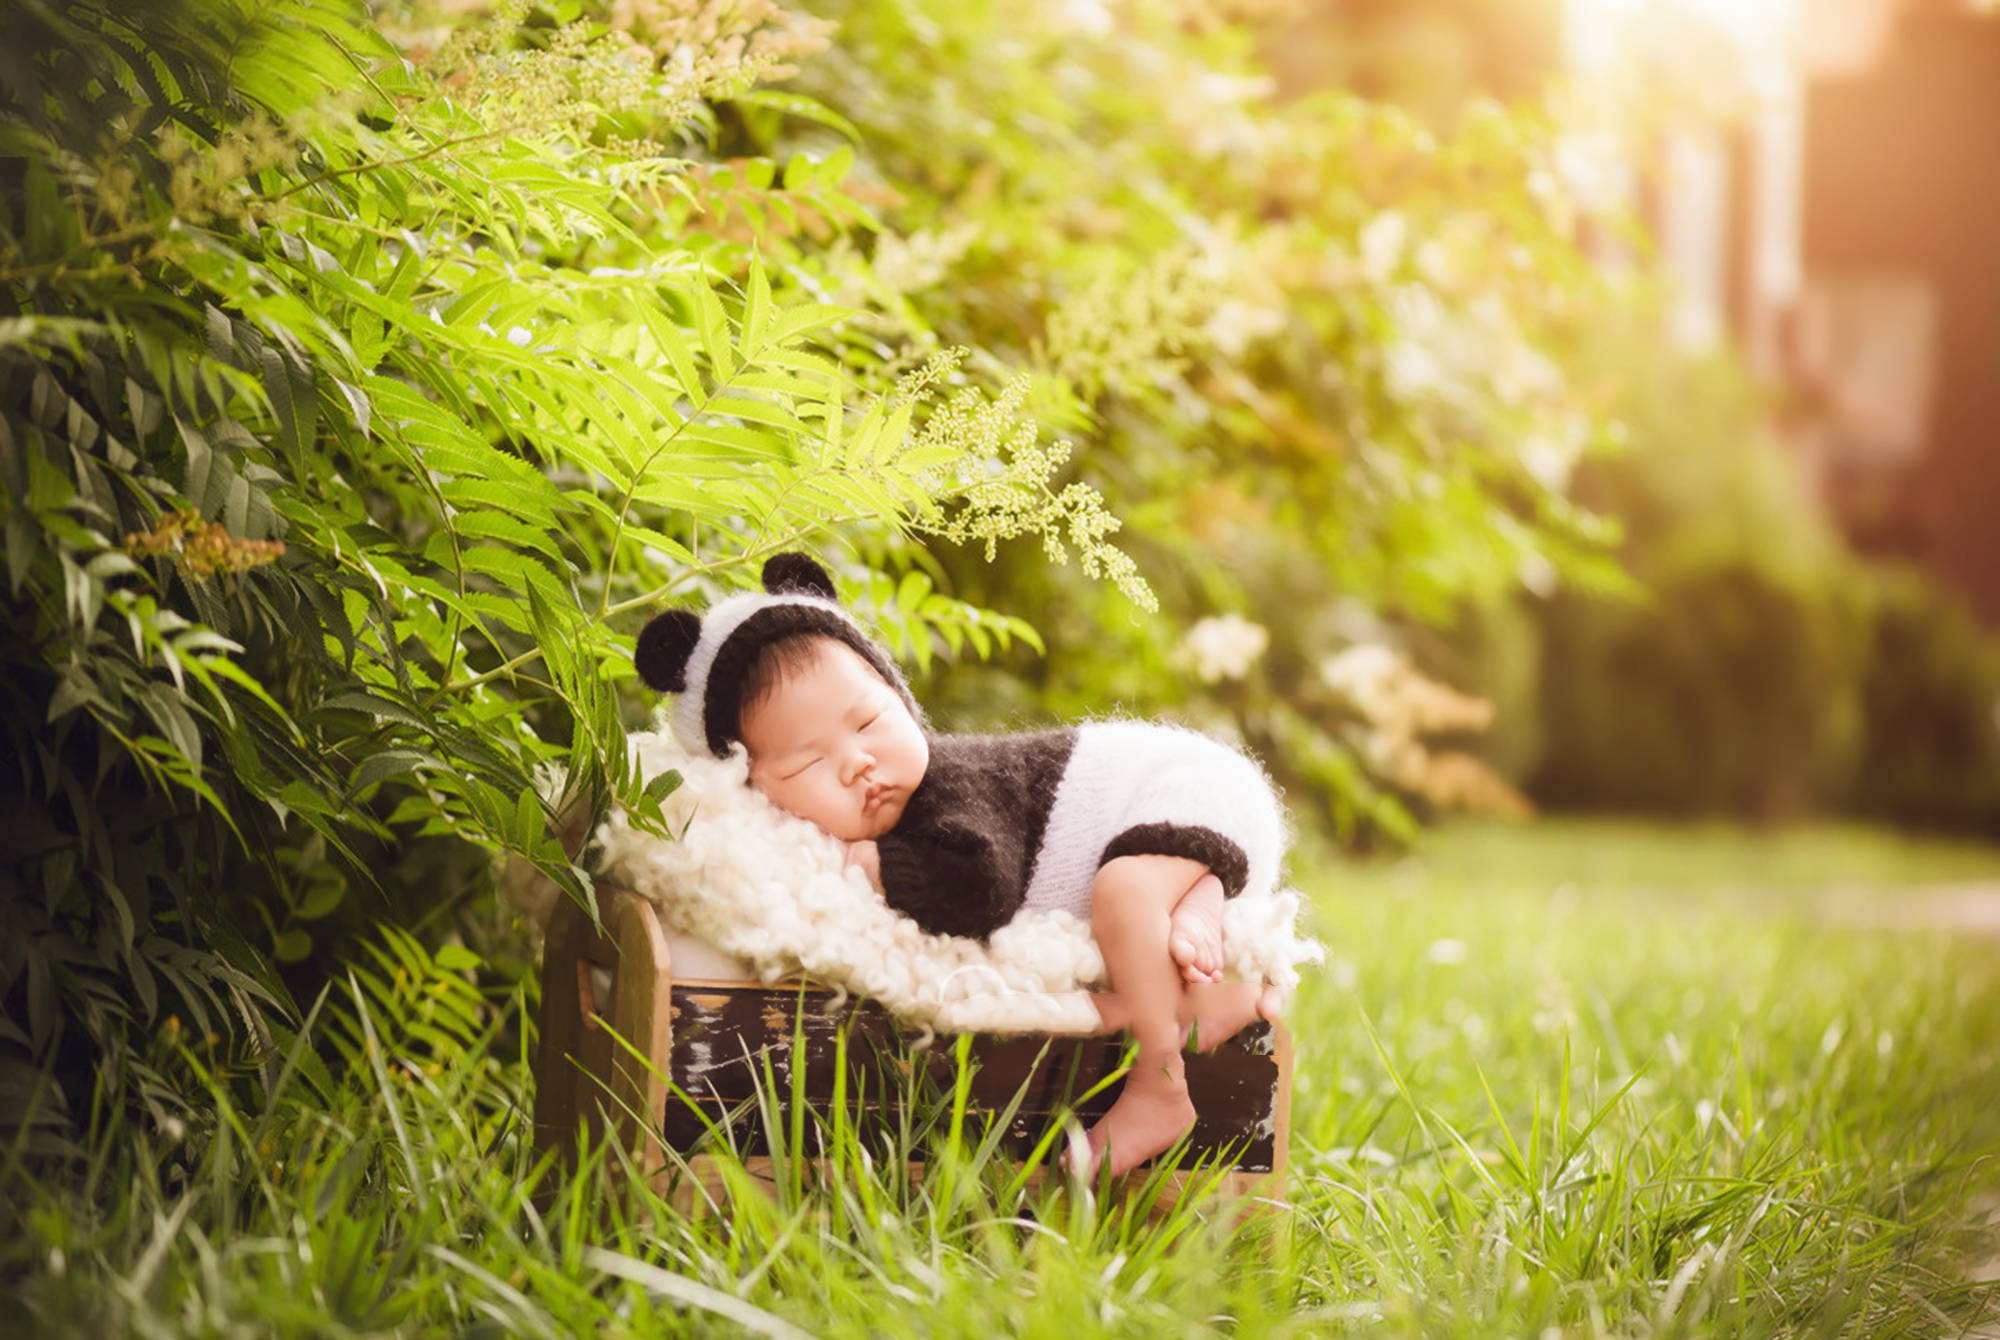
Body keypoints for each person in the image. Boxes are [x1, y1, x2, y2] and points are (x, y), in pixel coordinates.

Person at [636, 554, 1285, 1178]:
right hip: (1174, 824)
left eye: (868, 720)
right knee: (1143, 900)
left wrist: (877, 864)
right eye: (809, 763)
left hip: (1184, 785)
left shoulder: (953, 785)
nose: (857, 761)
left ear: (900, 696)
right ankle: (1201, 941)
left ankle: (1160, 1087)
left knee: (1125, 888)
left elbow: (980, 889)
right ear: (753, 790)